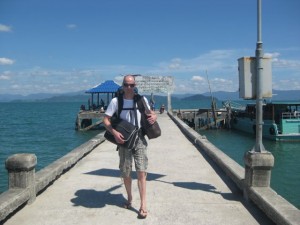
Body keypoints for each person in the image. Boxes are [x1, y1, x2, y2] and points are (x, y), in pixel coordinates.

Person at [103, 75, 157, 219]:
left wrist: (154, 116)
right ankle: (129, 198)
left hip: (139, 138)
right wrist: (113, 132)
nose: (129, 88)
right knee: (126, 172)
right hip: (124, 140)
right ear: (122, 85)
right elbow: (106, 119)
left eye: (131, 85)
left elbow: (151, 113)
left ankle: (143, 204)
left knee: (141, 171)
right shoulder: (116, 101)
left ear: (135, 85)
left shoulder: (141, 99)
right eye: (126, 85)